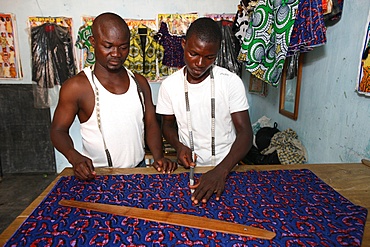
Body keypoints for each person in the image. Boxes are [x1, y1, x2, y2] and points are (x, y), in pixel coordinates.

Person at [50, 12, 177, 180]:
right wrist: (74, 157)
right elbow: (58, 131)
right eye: (108, 46)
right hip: (97, 174)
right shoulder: (77, 87)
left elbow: (151, 124)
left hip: (137, 171)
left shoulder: (139, 83)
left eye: (123, 47)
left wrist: (159, 157)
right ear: (93, 42)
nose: (116, 53)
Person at [156, 17, 253, 204]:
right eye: (194, 54)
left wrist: (221, 171)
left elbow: (246, 134)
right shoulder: (169, 86)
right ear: (183, 44)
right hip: (189, 169)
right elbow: (166, 126)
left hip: (228, 168)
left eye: (209, 57)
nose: (200, 63)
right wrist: (179, 146)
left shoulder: (231, 82)